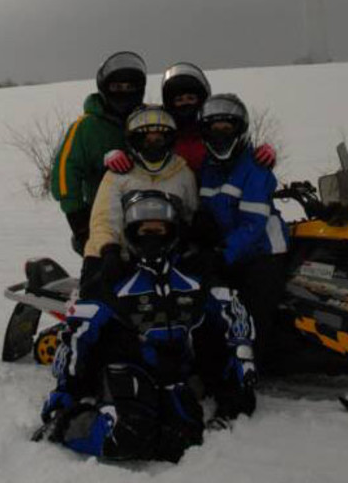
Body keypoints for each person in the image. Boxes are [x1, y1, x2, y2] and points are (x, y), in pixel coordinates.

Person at [35, 191, 257, 462]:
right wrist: (64, 392)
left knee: (182, 442)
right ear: (131, 233)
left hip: (172, 374)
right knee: (128, 435)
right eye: (144, 230)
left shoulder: (191, 279)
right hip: (126, 367)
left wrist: (242, 363)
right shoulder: (116, 280)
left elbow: (232, 309)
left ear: (172, 232)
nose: (152, 237)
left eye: (159, 229)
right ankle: (66, 427)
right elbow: (77, 332)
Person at [195, 93, 289, 369]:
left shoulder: (255, 168)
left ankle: (251, 365)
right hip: (230, 249)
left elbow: (253, 224)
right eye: (215, 128)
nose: (221, 134)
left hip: (263, 251)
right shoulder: (208, 169)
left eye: (227, 128)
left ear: (239, 129)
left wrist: (223, 254)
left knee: (253, 308)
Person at [81, 105, 198, 298]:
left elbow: (190, 213)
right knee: (95, 300)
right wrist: (109, 250)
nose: (153, 145)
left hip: (165, 256)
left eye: (159, 140)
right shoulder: (119, 173)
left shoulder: (183, 174)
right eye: (146, 140)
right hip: (117, 255)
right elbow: (103, 218)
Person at [51, 51, 147, 255]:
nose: (124, 92)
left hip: (152, 213)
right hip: (103, 216)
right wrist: (78, 219)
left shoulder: (148, 119)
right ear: (105, 88)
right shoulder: (86, 127)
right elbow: (64, 172)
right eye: (117, 87)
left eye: (130, 87)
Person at [104, 62, 276, 174]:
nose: (185, 104)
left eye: (190, 98)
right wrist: (114, 156)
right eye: (179, 100)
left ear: (201, 99)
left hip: (213, 206)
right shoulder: (164, 132)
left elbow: (238, 154)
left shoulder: (213, 132)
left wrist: (262, 154)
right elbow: (140, 148)